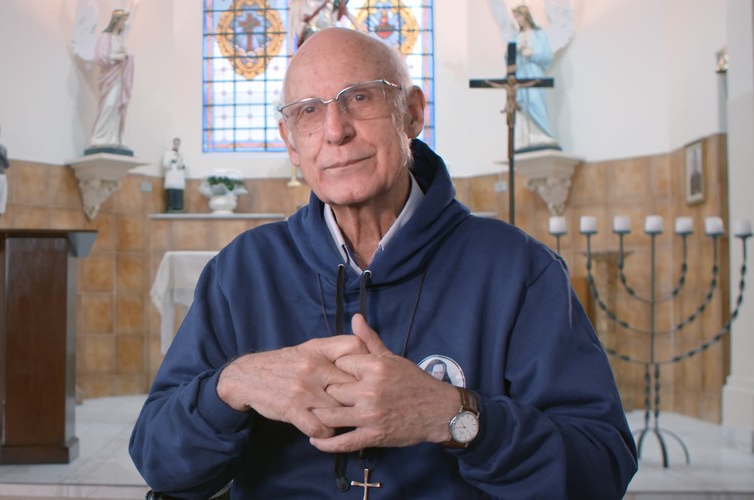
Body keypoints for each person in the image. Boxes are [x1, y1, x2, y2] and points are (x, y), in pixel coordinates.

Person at [130, 27, 637, 499]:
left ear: (412, 113)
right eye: (308, 111)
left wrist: (454, 417)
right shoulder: (242, 271)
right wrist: (232, 386)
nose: (335, 131)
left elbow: (601, 467)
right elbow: (159, 459)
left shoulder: (519, 270)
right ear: (289, 142)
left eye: (360, 97)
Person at [87, 9, 134, 154]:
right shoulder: (105, 37)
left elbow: (128, 56)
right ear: (116, 20)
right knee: (108, 105)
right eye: (122, 21)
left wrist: (127, 57)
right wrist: (115, 57)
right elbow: (100, 56)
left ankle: (114, 138)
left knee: (117, 108)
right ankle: (100, 138)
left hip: (120, 78)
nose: (123, 24)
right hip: (109, 78)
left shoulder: (120, 39)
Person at [512, 5, 558, 151]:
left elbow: (547, 56)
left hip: (535, 73)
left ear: (526, 16)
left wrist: (532, 53)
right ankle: (530, 137)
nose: (517, 20)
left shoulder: (539, 34)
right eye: (515, 18)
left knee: (535, 101)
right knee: (525, 103)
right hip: (521, 75)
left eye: (519, 16)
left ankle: (544, 133)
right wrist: (516, 52)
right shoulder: (517, 37)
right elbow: (511, 61)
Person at [163, 137, 186, 212]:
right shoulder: (168, 152)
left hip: (179, 174)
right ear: (173, 143)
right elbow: (165, 164)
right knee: (171, 190)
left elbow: (184, 163)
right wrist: (171, 161)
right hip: (171, 173)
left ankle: (178, 207)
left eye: (178, 143)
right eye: (175, 143)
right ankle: (170, 207)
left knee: (178, 191)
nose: (177, 144)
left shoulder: (181, 153)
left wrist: (182, 165)